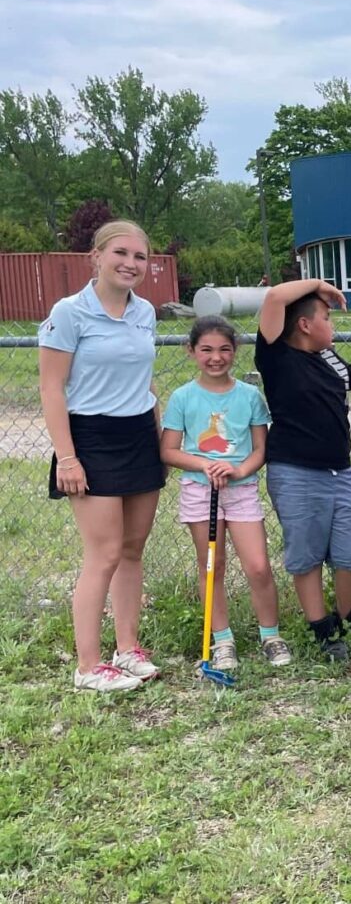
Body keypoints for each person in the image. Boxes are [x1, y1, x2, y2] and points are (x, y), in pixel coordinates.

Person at [255, 278, 351, 662]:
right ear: (305, 324)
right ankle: (322, 628)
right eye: (327, 317)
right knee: (306, 556)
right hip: (295, 471)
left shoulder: (330, 359)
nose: (333, 324)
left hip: (341, 472)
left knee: (350, 556)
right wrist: (321, 284)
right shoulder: (276, 357)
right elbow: (275, 297)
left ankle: (349, 616)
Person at [40, 221, 166, 692]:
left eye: (139, 256)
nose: (131, 263)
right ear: (96, 255)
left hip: (138, 434)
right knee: (105, 553)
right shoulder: (69, 313)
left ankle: (127, 649)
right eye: (121, 253)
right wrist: (67, 457)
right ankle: (88, 666)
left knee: (133, 549)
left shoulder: (146, 312)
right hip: (89, 437)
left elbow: (144, 381)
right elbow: (52, 388)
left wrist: (159, 435)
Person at [160, 316, 290, 669]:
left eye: (224, 350)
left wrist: (239, 469)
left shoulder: (249, 396)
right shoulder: (183, 397)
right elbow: (169, 451)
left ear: (235, 352)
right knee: (212, 566)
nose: (216, 357)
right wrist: (204, 465)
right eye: (206, 350)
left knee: (259, 567)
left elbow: (260, 449)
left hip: (241, 489)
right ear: (191, 351)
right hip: (201, 491)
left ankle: (271, 636)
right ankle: (222, 640)